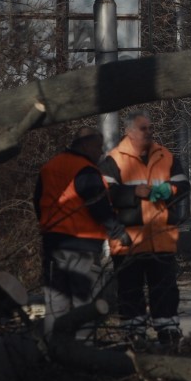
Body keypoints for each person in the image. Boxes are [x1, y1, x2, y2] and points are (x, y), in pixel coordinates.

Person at [101, 110, 191, 345]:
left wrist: (168, 190)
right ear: (129, 131)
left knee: (165, 288)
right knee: (130, 290)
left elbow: (183, 184)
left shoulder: (165, 156)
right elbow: (103, 194)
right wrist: (133, 192)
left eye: (151, 128)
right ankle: (134, 334)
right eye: (144, 128)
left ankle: (168, 331)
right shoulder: (113, 160)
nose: (149, 132)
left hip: (161, 237)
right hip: (129, 240)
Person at [34, 126, 130, 339]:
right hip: (82, 244)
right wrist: (117, 231)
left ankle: (53, 345)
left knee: (55, 299)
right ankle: (83, 346)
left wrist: (48, 225)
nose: (101, 152)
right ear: (85, 145)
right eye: (98, 147)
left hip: (54, 242)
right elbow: (97, 205)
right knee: (83, 301)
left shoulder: (50, 166)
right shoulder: (85, 170)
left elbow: (38, 201)